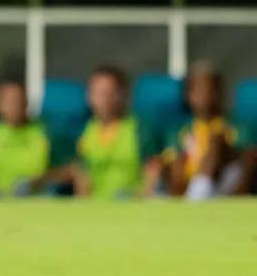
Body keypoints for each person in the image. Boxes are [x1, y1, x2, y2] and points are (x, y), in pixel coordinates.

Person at [72, 66, 162, 198]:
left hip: (131, 205)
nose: (103, 99)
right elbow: (80, 174)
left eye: (108, 93)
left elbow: (152, 171)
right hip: (96, 208)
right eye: (97, 93)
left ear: (121, 95)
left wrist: (141, 199)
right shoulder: (83, 132)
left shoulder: (139, 129)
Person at [163, 63, 249, 200]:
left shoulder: (236, 126)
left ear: (221, 93)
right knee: (171, 161)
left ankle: (200, 193)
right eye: (199, 89)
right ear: (189, 94)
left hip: (225, 184)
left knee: (215, 141)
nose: (205, 95)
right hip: (187, 185)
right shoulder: (179, 130)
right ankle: (195, 194)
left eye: (211, 89)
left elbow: (246, 160)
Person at [0, 79, 64, 197]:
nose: (14, 106)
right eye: (9, 101)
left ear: (26, 103)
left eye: (18, 100)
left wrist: (39, 181)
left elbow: (66, 171)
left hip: (38, 199)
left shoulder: (45, 132)